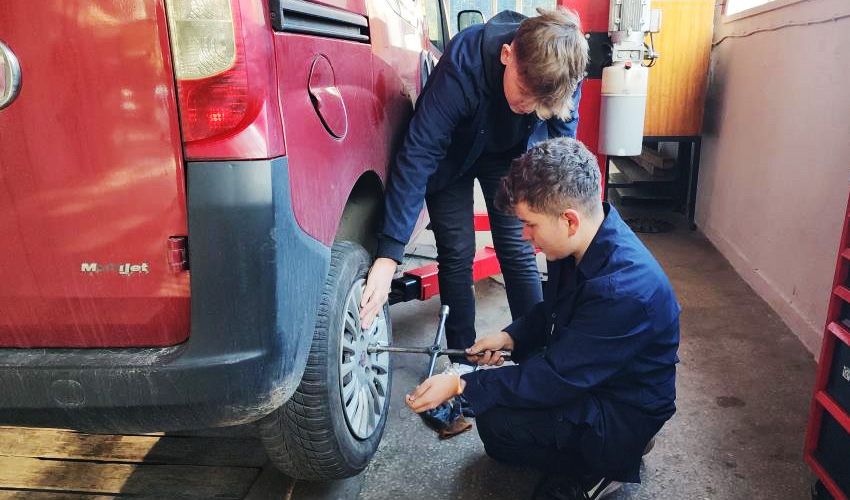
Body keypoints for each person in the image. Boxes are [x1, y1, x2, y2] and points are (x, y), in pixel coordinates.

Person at [405, 137, 681, 500]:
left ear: (568, 220)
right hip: (596, 374)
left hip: (622, 408)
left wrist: (461, 384)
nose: (524, 235)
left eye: (530, 224)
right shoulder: (579, 243)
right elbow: (552, 311)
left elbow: (555, 378)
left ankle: (605, 466)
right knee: (497, 431)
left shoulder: (623, 289)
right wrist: (510, 337)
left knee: (497, 421)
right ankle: (600, 451)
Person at [358, 8, 589, 371]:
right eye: (524, 91)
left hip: (509, 155)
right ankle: (461, 363)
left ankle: (534, 359)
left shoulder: (563, 76)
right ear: (507, 54)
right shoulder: (463, 64)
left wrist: (571, 232)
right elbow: (420, 152)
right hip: (451, 156)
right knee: (456, 250)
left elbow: (563, 156)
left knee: (517, 247)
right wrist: (389, 255)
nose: (527, 106)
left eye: (537, 103)